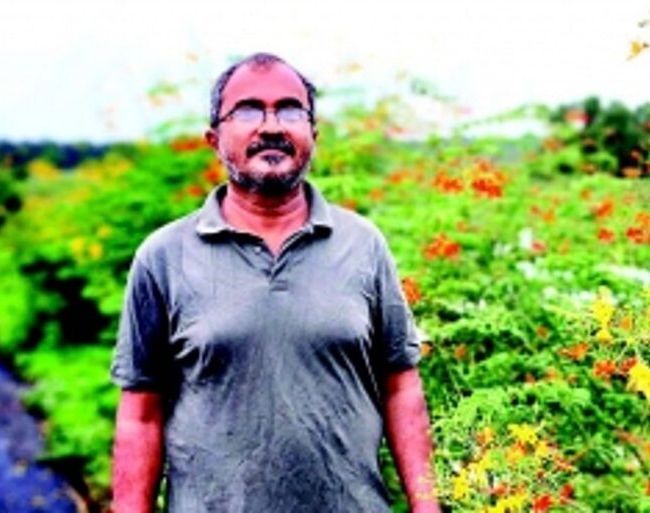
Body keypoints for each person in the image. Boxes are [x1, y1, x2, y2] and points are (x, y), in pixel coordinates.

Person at [111, 52, 440, 513]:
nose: (271, 126)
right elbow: (140, 414)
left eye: (289, 109)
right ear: (214, 137)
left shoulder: (363, 244)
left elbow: (401, 387)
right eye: (247, 110)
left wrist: (427, 507)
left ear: (313, 134)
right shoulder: (164, 256)